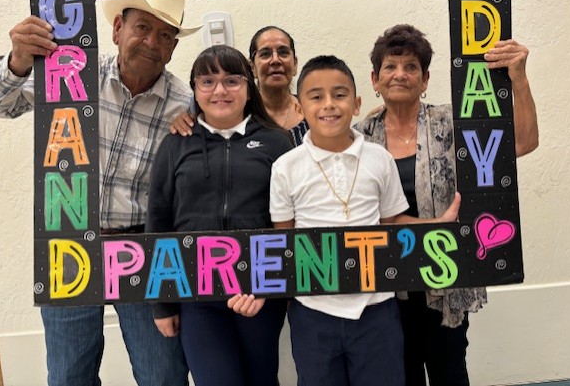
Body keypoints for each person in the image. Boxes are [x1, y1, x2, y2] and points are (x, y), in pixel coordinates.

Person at [0, 0, 199, 386]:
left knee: (163, 374)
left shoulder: (187, 104)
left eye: (165, 35)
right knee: (68, 375)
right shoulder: (70, 74)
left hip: (143, 248)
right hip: (67, 245)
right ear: (116, 30)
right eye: (142, 28)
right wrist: (18, 61)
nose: (152, 42)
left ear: (174, 46)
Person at [353, 24, 539, 386]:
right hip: (386, 286)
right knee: (398, 375)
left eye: (411, 67)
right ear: (375, 79)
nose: (400, 75)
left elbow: (523, 142)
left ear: (425, 80)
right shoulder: (359, 136)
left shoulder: (452, 123)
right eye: (390, 67)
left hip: (447, 280)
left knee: (450, 372)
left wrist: (518, 79)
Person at [269, 55, 460, 386]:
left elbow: (393, 220)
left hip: (377, 308)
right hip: (313, 312)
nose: (329, 105)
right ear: (300, 108)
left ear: (356, 104)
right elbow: (284, 242)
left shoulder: (378, 158)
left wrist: (436, 227)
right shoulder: (285, 168)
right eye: (316, 97)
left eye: (340, 94)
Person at [146, 45, 293, 386]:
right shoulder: (175, 144)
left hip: (259, 294)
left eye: (231, 80)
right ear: (195, 89)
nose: (220, 91)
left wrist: (271, 287)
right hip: (197, 297)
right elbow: (158, 221)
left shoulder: (276, 142)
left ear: (248, 86)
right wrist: (162, 303)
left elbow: (289, 223)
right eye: (207, 81)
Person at [172, 25, 308, 145]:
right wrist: (183, 122)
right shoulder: (234, 115)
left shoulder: (313, 111)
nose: (275, 60)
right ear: (252, 67)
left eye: (283, 52)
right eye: (265, 54)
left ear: (295, 64)